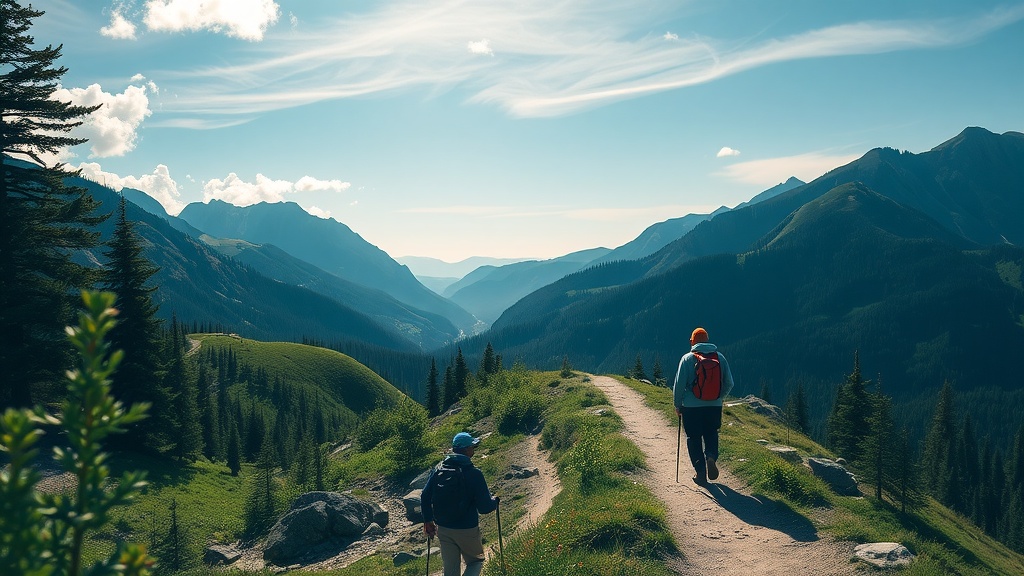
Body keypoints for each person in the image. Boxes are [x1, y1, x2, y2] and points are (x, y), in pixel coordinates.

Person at [421, 432, 499, 576]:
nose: (474, 450)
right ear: (465, 450)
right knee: (476, 561)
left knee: (450, 572)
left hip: (443, 528)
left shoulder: (438, 470)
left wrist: (428, 521)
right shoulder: (475, 474)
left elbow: (425, 496)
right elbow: (485, 508)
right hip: (467, 528)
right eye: (472, 447)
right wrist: (495, 501)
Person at [673, 327, 735, 485]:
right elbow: (729, 383)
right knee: (711, 433)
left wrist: (678, 405)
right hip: (714, 406)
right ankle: (711, 457)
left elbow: (679, 385)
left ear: (692, 342)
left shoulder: (687, 359)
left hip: (691, 408)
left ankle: (700, 473)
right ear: (707, 340)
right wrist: (718, 397)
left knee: (693, 438)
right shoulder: (719, 358)